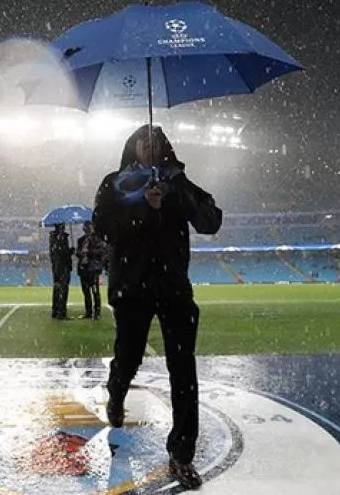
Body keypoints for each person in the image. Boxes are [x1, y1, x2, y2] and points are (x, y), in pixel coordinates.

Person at [92, 124, 222, 489]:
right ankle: (116, 390)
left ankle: (182, 454)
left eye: (155, 142)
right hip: (132, 287)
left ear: (164, 147)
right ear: (132, 147)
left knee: (183, 370)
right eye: (142, 141)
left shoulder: (178, 181)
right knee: (129, 356)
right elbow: (102, 227)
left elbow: (210, 221)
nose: (149, 146)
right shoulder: (114, 182)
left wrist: (173, 196)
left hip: (173, 288)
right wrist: (144, 210)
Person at [75, 221, 106, 319]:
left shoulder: (97, 239)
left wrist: (89, 252)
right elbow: (78, 253)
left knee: (95, 291)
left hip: (93, 269)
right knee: (86, 292)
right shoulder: (81, 240)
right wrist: (80, 253)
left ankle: (97, 312)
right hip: (83, 268)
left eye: (88, 227)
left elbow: (101, 251)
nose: (86, 229)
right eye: (85, 227)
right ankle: (88, 312)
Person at [48, 223, 72, 319]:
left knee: (57, 288)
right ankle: (61, 312)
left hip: (56, 267)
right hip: (62, 267)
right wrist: (70, 252)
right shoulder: (60, 237)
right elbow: (62, 252)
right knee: (63, 289)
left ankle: (56, 310)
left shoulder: (52, 238)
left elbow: (56, 252)